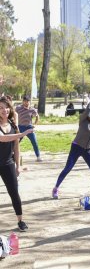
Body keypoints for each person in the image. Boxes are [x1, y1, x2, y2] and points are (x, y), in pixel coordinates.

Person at [52, 93, 90, 199]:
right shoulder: (83, 119)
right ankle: (56, 188)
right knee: (68, 168)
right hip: (76, 147)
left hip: (87, 149)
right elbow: (88, 109)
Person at [0, 96, 35, 231]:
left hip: (8, 163)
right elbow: (2, 138)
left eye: (6, 107)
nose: (4, 110)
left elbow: (16, 147)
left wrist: (18, 166)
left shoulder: (13, 124)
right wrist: (22, 134)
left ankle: (20, 221)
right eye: (1, 108)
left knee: (14, 193)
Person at [16, 96, 42, 161]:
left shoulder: (32, 109)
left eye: (27, 101)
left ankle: (38, 156)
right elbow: (13, 114)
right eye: (25, 101)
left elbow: (37, 116)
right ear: (23, 101)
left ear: (29, 102)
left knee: (34, 141)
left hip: (29, 127)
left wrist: (34, 124)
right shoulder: (18, 108)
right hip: (20, 127)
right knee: (16, 142)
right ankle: (11, 154)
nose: (26, 103)